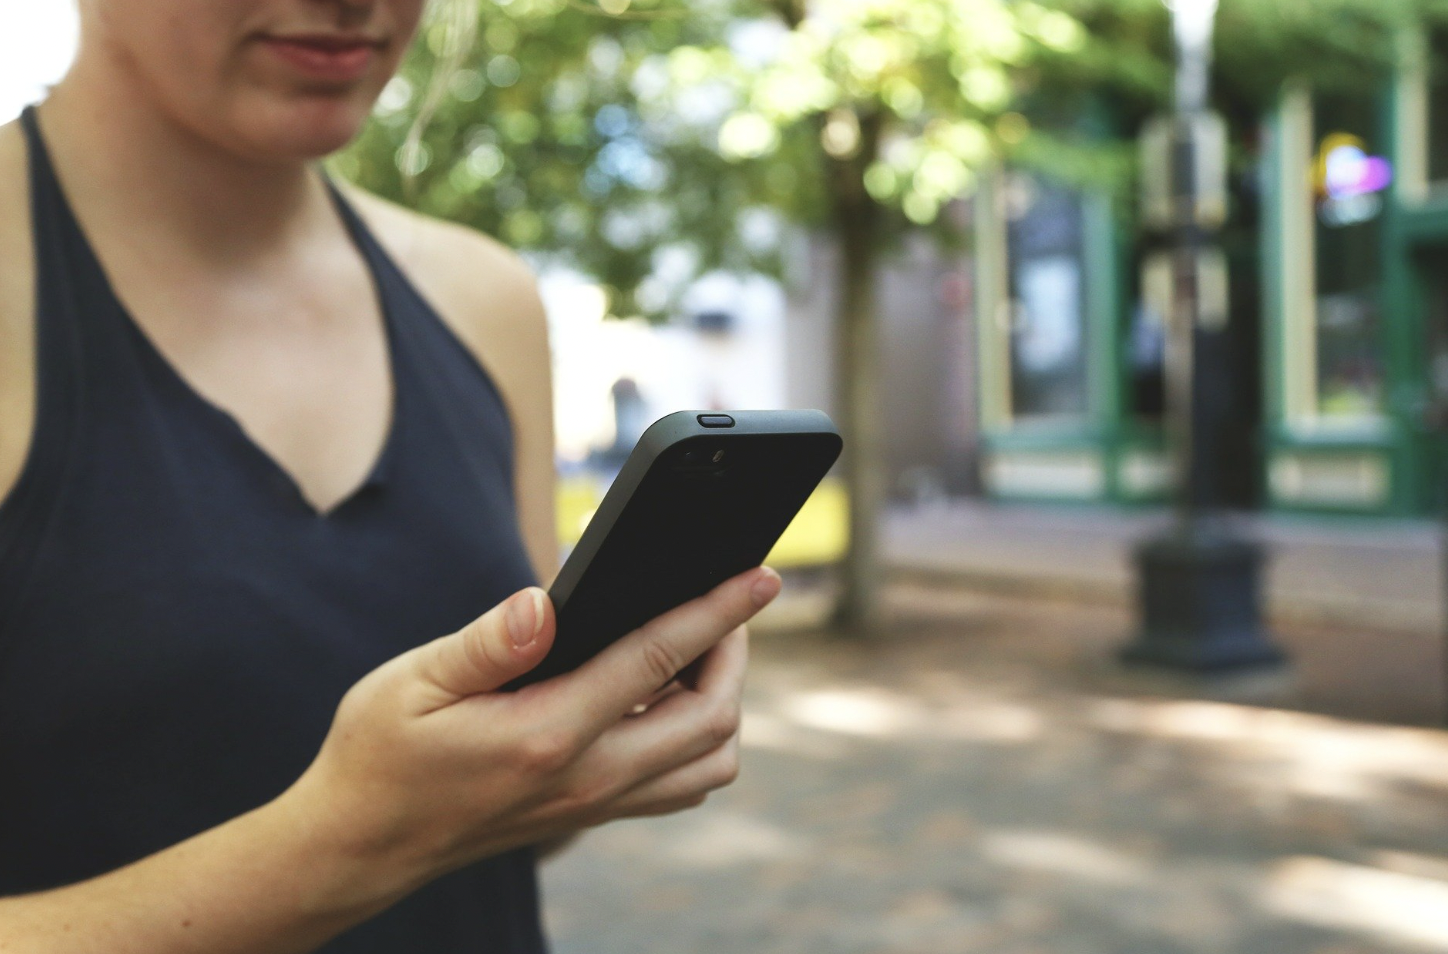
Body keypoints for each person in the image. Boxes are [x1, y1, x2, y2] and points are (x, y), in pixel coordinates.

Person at [0, 0, 778, 950]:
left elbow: (499, 839)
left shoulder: (482, 299)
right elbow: (390, 841)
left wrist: (580, 750)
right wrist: (339, 848)